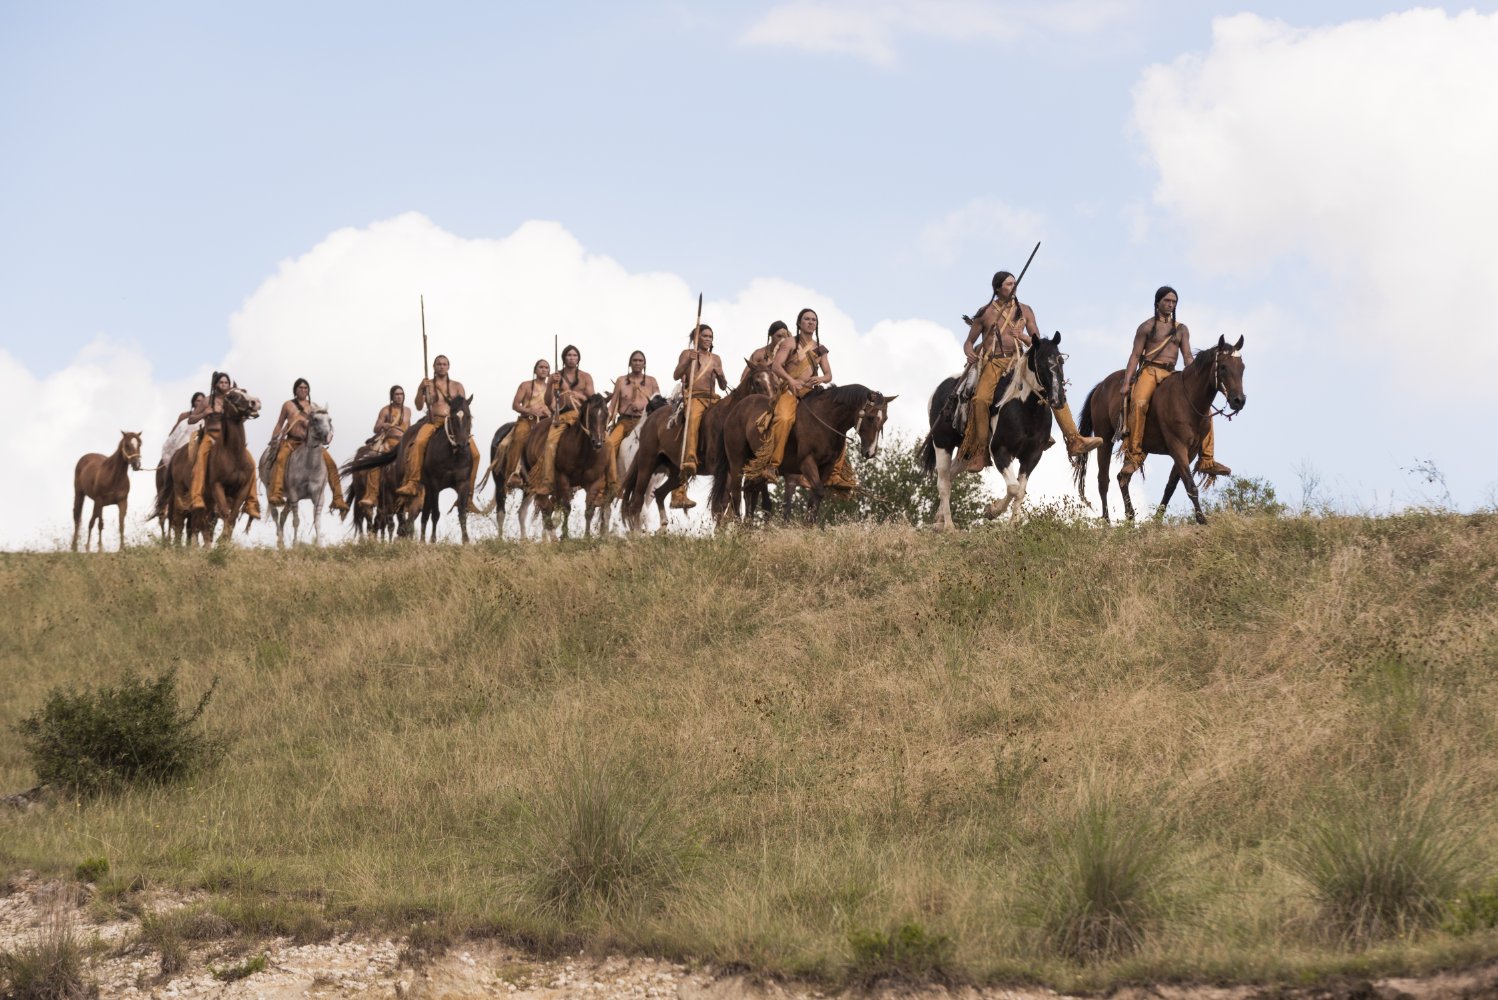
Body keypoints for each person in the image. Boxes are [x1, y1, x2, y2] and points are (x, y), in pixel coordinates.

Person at [957, 271, 1101, 473]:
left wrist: (1022, 336)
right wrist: (970, 353)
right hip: (994, 362)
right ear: (998, 288)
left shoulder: (1025, 310)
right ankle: (981, 450)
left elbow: (1038, 343)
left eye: (1015, 283)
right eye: (1008, 284)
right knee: (980, 399)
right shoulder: (986, 312)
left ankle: (1074, 439)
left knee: (1052, 387)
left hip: (1019, 362)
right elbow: (969, 343)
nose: (1013, 287)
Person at [1120, 286, 1231, 479]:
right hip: (1149, 371)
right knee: (1139, 403)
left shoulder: (1181, 329)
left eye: (1174, 302)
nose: (1170, 304)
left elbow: (1187, 356)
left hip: (1172, 374)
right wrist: (1126, 382)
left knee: (1205, 410)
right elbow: (1135, 355)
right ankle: (1134, 455)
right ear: (1157, 303)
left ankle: (1206, 459)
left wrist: (1195, 376)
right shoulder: (1145, 327)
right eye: (1167, 301)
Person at [743, 308, 837, 486]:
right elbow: (776, 366)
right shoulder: (789, 343)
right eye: (807, 319)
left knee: (836, 419)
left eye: (813, 320)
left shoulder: (820, 348)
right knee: (784, 418)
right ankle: (772, 464)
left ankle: (837, 473)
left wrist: (822, 378)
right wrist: (790, 380)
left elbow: (829, 374)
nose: (810, 322)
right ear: (799, 323)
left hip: (812, 392)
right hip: (790, 391)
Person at [395, 354, 484, 511]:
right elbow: (417, 405)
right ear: (434, 367)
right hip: (434, 422)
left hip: (453, 424)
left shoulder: (457, 386)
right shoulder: (428, 385)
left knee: (476, 455)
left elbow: (463, 407)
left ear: (448, 367)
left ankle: (468, 497)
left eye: (444, 364)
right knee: (419, 443)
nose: (441, 366)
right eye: (439, 364)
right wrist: (420, 389)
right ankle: (413, 482)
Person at [267, 378, 348, 514]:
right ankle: (277, 493)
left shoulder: (314, 407)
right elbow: (280, 423)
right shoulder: (288, 405)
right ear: (295, 390)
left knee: (331, 464)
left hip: (309, 444)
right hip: (291, 442)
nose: (303, 390)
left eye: (305, 388)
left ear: (308, 390)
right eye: (300, 388)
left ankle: (338, 499)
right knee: (280, 459)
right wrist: (274, 438)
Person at [186, 371, 261, 519]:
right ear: (215, 385)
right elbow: (191, 420)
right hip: (212, 437)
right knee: (200, 461)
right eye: (221, 382)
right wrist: (204, 413)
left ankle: (251, 503)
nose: (224, 385)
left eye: (226, 383)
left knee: (251, 464)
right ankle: (196, 497)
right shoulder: (207, 401)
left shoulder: (234, 400)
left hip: (231, 439)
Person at [669, 327, 728, 509]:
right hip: (693, 396)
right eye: (704, 336)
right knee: (693, 420)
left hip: (712, 398)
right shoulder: (687, 353)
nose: (708, 339)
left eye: (710, 336)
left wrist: (720, 376)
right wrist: (688, 361)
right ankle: (690, 458)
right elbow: (676, 375)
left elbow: (724, 385)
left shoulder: (716, 358)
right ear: (697, 337)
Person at [529, 345, 595, 498]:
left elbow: (591, 399)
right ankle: (547, 483)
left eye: (574, 355)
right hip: (563, 416)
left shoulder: (586, 377)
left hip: (581, 416)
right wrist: (551, 383)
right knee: (551, 444)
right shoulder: (555, 376)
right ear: (564, 358)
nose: (572, 358)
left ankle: (607, 481)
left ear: (578, 359)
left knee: (606, 442)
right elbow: (547, 400)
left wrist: (576, 395)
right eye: (569, 355)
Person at [603, 351, 659, 500]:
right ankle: (609, 484)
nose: (638, 363)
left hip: (645, 423)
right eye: (635, 360)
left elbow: (658, 405)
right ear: (630, 363)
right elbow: (612, 407)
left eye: (641, 360)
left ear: (644, 364)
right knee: (609, 445)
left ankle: (661, 486)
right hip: (625, 421)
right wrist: (604, 425)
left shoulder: (652, 381)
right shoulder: (621, 381)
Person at [499, 360, 553, 489]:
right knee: (519, 439)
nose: (544, 370)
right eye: (541, 367)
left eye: (546, 368)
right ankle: (513, 473)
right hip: (527, 420)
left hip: (545, 423)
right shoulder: (526, 385)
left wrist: (550, 411)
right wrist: (529, 410)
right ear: (535, 370)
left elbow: (556, 406)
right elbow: (515, 405)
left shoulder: (551, 388)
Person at [359, 385, 411, 511]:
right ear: (392, 397)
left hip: (404, 443)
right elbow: (375, 428)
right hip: (389, 441)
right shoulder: (385, 410)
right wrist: (383, 425)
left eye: (401, 394)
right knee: (376, 460)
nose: (399, 397)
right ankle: (371, 495)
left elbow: (409, 428)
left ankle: (412, 493)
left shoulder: (408, 411)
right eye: (397, 394)